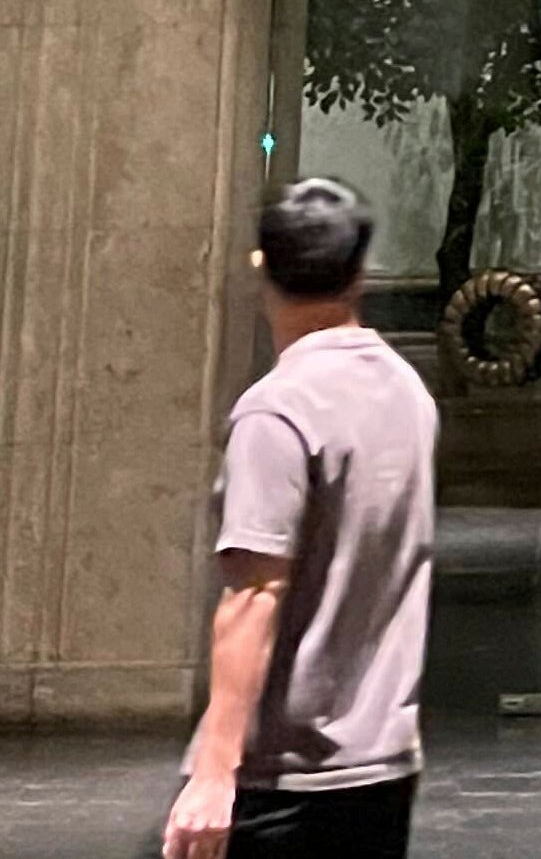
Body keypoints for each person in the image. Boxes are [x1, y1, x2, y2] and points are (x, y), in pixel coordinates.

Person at [162, 177, 434, 859]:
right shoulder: (406, 391)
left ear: (263, 267)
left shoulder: (276, 411)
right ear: (360, 273)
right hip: (383, 764)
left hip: (286, 780)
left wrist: (215, 771)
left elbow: (255, 594)